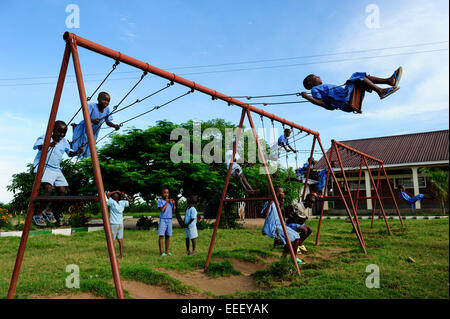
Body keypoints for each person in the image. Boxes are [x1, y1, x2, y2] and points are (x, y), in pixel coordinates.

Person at [32, 120, 84, 226]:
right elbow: (38, 147)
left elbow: (70, 153)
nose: (61, 134)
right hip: (44, 167)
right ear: (52, 130)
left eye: (64, 132)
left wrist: (77, 152)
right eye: (59, 132)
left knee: (63, 192)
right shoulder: (45, 137)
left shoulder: (64, 141)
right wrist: (49, 144)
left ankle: (49, 209)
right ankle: (38, 214)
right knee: (48, 189)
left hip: (56, 169)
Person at [300, 67, 402, 113]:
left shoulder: (322, 92)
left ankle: (388, 82)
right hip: (345, 97)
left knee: (361, 80)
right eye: (315, 76)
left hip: (346, 104)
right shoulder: (315, 89)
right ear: (310, 82)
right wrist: (307, 97)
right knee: (356, 75)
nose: (318, 76)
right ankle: (382, 88)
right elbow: (320, 103)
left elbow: (329, 107)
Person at [71, 92, 121, 158]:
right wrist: (93, 120)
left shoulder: (107, 110)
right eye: (104, 100)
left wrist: (114, 126)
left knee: (89, 147)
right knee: (79, 144)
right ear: (98, 99)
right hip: (84, 128)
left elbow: (108, 121)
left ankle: (83, 158)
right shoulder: (92, 106)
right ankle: (75, 128)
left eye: (108, 101)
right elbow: (86, 116)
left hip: (94, 131)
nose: (106, 102)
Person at [261, 187, 303, 265]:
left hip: (280, 225)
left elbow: (278, 213)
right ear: (277, 193)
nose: (283, 194)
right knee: (293, 239)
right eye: (282, 192)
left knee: (296, 238)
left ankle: (287, 258)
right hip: (274, 227)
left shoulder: (278, 203)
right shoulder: (270, 203)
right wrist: (270, 203)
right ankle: (292, 260)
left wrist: (282, 203)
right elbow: (263, 215)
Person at [106, 190, 132, 259]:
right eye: (114, 194)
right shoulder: (115, 202)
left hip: (115, 223)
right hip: (119, 223)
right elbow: (108, 194)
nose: (115, 195)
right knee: (119, 240)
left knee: (114, 240)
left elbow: (130, 201)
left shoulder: (118, 202)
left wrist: (123, 194)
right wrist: (120, 192)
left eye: (117, 194)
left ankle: (118, 255)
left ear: (118, 196)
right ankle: (120, 255)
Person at [157, 188, 175, 257]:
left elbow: (173, 212)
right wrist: (167, 202)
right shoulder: (160, 201)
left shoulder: (171, 202)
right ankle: (161, 252)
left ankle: (167, 251)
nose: (166, 194)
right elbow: (162, 209)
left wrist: (174, 204)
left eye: (167, 192)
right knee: (161, 235)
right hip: (163, 220)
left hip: (169, 220)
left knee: (168, 236)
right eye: (164, 192)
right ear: (162, 194)